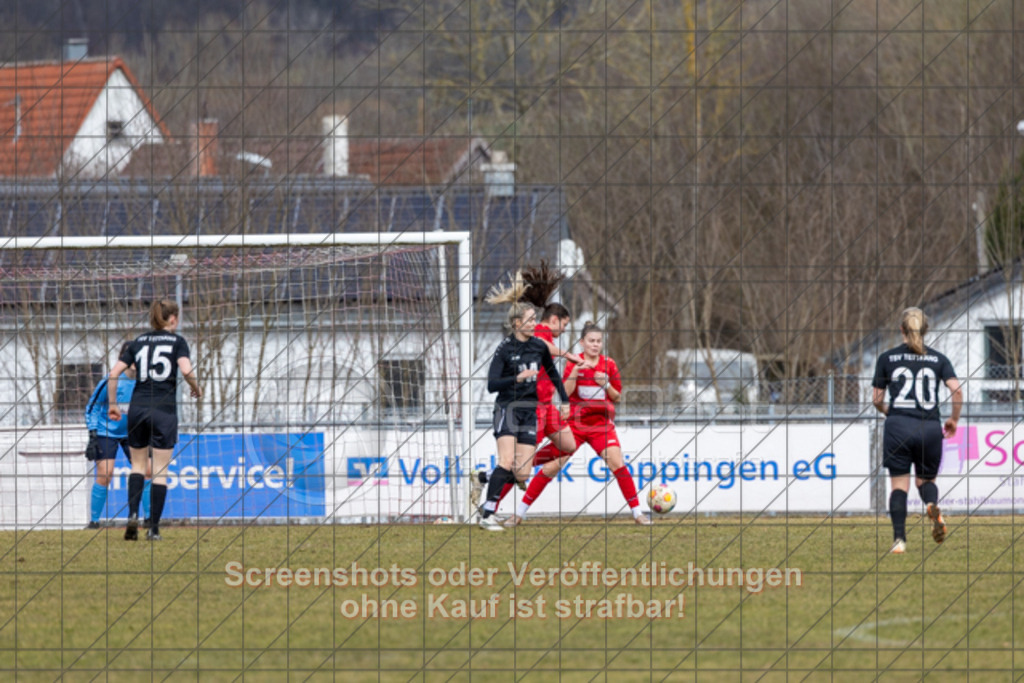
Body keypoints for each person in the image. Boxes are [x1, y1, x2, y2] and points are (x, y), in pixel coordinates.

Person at [509, 321, 651, 526]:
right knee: (550, 468)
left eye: (599, 341)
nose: (595, 345)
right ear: (582, 342)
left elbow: (617, 396)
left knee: (617, 463)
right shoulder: (573, 362)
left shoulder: (608, 364)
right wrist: (575, 371)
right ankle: (518, 514)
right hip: (574, 425)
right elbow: (564, 393)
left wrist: (607, 384)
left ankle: (638, 513)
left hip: (600, 425)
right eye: (591, 341)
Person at [480, 262, 583, 513]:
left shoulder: (539, 339)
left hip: (547, 408)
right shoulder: (538, 331)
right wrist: (568, 355)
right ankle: (489, 506)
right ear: (555, 320)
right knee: (516, 468)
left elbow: (549, 364)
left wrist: (564, 399)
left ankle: (492, 477)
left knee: (568, 446)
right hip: (531, 407)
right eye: (564, 325)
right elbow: (545, 349)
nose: (563, 331)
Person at [108, 299, 202, 541]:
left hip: (137, 409)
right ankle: (154, 528)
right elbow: (186, 370)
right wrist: (196, 387)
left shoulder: (138, 342)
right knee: (160, 470)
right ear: (172, 319)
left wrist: (112, 405)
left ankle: (132, 515)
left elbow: (114, 373)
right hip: (164, 410)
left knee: (137, 466)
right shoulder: (178, 342)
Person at [872, 307, 961, 555]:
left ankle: (899, 541)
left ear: (901, 329)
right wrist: (953, 420)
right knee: (926, 481)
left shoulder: (886, 359)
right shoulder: (939, 359)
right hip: (930, 428)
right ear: (926, 330)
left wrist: (890, 411)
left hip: (898, 426)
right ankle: (932, 506)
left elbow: (876, 399)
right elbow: (957, 390)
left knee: (899, 486)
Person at [84, 344, 137, 529]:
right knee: (105, 473)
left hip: (133, 432)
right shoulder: (110, 380)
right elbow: (92, 408)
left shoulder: (145, 384)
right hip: (106, 431)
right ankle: (94, 521)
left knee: (147, 471)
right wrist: (92, 434)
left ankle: (141, 519)